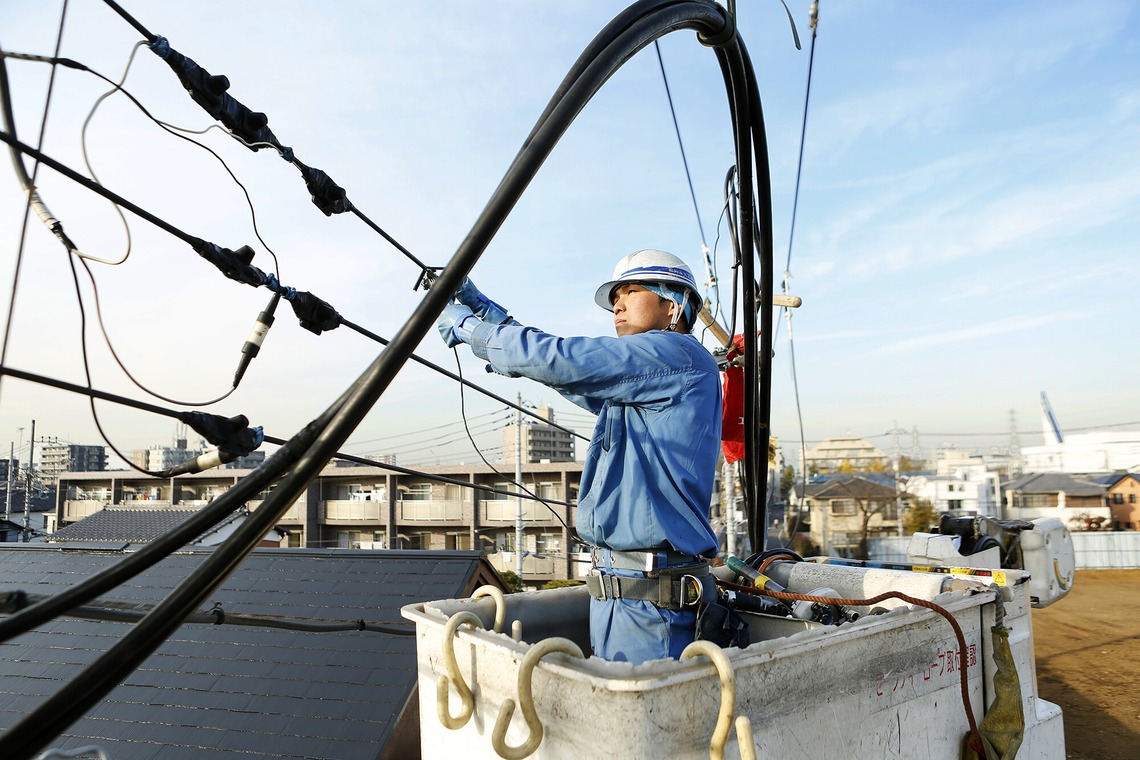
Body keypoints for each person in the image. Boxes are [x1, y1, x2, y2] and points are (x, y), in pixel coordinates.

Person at [436, 249, 722, 664]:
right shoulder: (649, 381)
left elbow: (564, 361)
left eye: (631, 291)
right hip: (624, 594)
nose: (617, 304)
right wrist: (487, 313)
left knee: (641, 724)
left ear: (672, 304)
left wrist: (470, 328)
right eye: (615, 297)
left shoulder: (677, 356)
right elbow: (569, 375)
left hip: (651, 601)